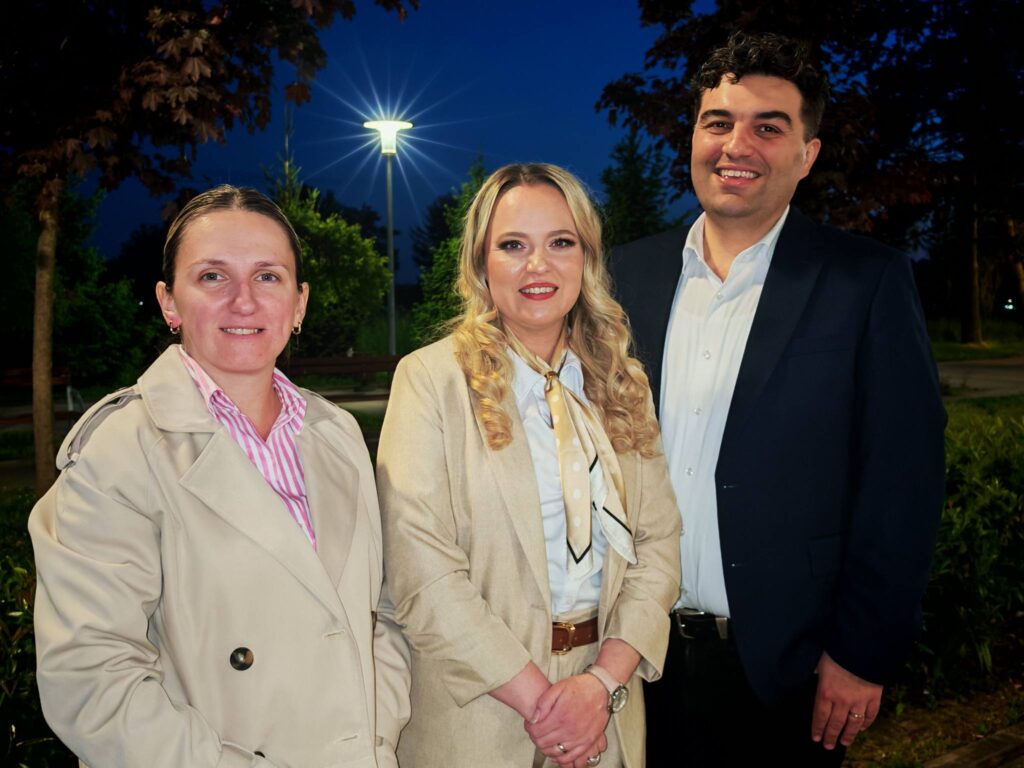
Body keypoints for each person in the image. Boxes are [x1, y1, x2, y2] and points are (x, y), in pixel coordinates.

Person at [611, 32, 946, 766]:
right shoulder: (621, 276)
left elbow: (903, 480)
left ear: (807, 154)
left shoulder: (866, 281)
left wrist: (862, 653)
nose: (737, 145)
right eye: (719, 123)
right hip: (632, 660)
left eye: (769, 127)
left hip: (786, 670)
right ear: (693, 137)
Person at [29, 185, 410, 768]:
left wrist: (376, 740)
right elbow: (92, 680)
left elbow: (381, 612)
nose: (244, 301)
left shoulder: (336, 434)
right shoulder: (117, 453)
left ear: (299, 303)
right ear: (169, 303)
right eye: (212, 276)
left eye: (268, 277)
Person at [376, 163, 681, 768]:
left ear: (586, 259)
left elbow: (658, 546)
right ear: (481, 264)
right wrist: (547, 706)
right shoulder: (431, 381)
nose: (537, 265)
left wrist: (600, 686)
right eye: (513, 246)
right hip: (478, 713)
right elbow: (421, 575)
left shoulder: (623, 384)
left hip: (605, 709)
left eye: (560, 243)